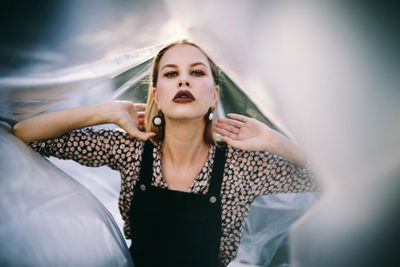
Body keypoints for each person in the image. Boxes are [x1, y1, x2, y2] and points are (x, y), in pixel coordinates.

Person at [13, 40, 318, 267]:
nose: (184, 80)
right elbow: (27, 134)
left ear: (214, 95)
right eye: (171, 74)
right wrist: (104, 112)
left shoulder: (242, 166)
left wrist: (274, 141)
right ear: (156, 93)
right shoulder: (130, 149)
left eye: (197, 72)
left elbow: (325, 181)